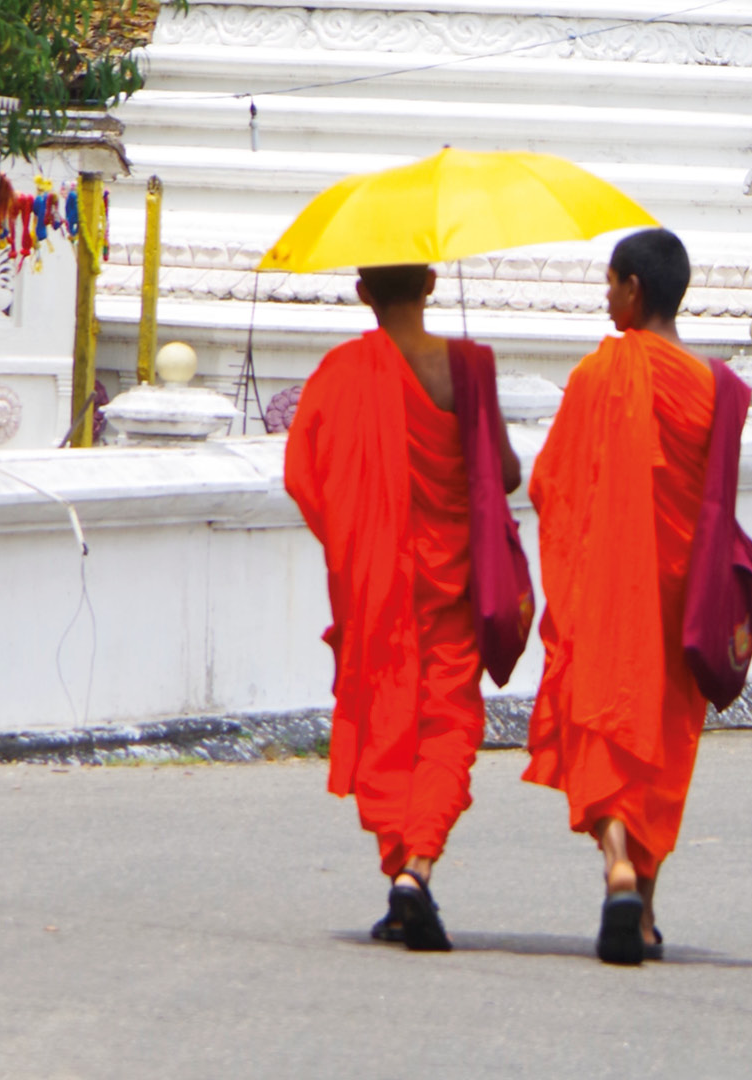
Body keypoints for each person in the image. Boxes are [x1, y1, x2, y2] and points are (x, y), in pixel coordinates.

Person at [283, 263, 521, 952]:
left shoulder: (340, 371)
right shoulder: (468, 367)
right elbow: (505, 474)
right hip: (456, 585)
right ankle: (416, 870)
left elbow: (303, 476)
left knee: (385, 723)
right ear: (432, 283)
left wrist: (359, 535)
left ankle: (404, 878)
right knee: (448, 725)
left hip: (376, 585)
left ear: (363, 292)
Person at [524, 228, 720, 966]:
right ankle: (643, 913)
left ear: (634, 289)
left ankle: (617, 864)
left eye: (609, 285)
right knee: (662, 745)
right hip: (678, 605)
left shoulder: (596, 376)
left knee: (604, 725)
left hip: (605, 595)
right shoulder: (711, 387)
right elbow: (716, 505)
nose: (606, 299)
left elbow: (551, 485)